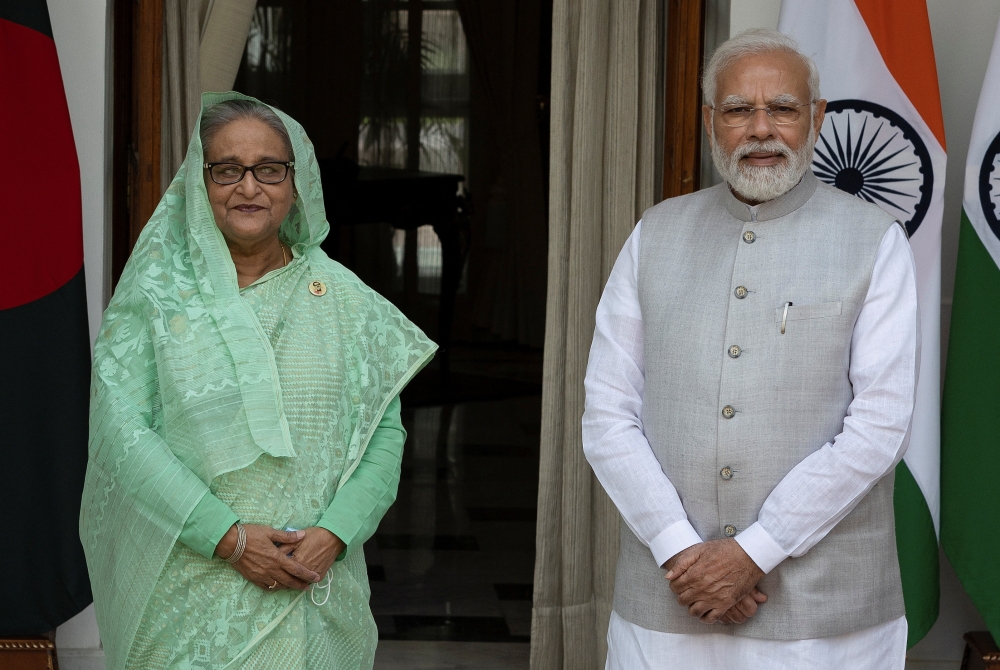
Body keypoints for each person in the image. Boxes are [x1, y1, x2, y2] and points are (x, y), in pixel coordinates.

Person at [582, 29, 919, 669]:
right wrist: (683, 553)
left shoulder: (875, 242)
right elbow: (607, 413)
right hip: (669, 602)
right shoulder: (655, 234)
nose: (761, 129)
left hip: (826, 615)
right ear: (713, 121)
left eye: (783, 109)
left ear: (815, 119)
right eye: (739, 110)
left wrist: (750, 554)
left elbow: (880, 426)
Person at [81, 92, 436, 669]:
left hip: (312, 587)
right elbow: (123, 437)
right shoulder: (156, 301)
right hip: (189, 598)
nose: (249, 188)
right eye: (227, 170)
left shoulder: (346, 300)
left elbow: (382, 437)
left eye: (269, 169)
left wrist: (335, 535)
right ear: (201, 184)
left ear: (296, 183)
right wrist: (229, 538)